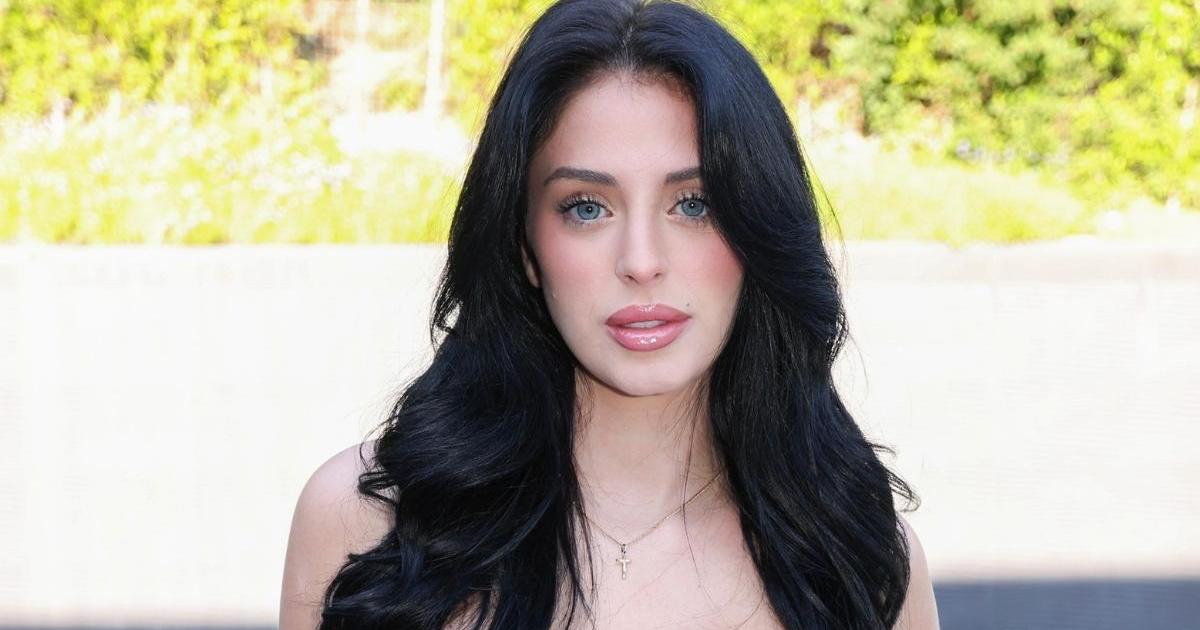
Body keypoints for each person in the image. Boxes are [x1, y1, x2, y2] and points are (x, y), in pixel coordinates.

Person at [280, 0, 939, 628]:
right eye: (587, 208)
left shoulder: (856, 559)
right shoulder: (365, 524)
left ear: (757, 230)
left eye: (695, 204)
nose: (641, 262)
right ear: (525, 245)